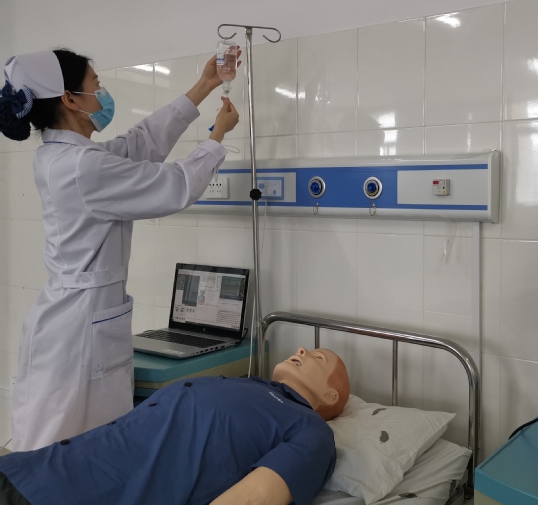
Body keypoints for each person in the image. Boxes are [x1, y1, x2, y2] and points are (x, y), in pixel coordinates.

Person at [0, 49, 241, 451]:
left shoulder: (67, 156)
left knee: (70, 450)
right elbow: (175, 186)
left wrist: (204, 85)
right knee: (64, 451)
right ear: (69, 99)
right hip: (78, 330)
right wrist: (217, 137)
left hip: (74, 317)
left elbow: (139, 144)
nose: (102, 93)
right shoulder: (81, 166)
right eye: (96, 85)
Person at [0, 347, 350, 505]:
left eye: (318, 357)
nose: (302, 349)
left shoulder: (312, 431)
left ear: (330, 395)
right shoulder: (249, 386)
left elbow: (252, 498)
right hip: (34, 468)